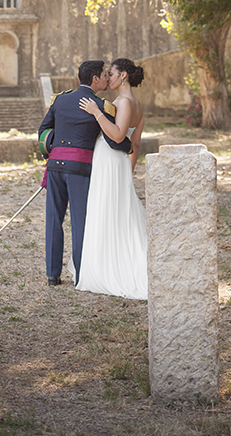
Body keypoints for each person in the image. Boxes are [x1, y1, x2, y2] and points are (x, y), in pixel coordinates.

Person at [38, 60, 131, 285]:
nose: (107, 79)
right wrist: (129, 146)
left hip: (55, 166)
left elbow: (43, 131)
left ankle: (52, 275)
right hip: (80, 168)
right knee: (81, 222)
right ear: (95, 79)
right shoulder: (101, 105)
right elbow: (113, 138)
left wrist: (55, 147)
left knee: (53, 219)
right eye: (103, 75)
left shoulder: (60, 99)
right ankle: (81, 274)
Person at [76, 57, 149, 300]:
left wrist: (97, 112)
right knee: (114, 210)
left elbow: (118, 136)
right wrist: (128, 170)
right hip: (119, 164)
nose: (109, 78)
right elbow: (135, 144)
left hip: (109, 160)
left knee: (106, 209)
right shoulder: (137, 105)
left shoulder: (125, 102)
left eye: (112, 74)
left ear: (123, 76)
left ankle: (107, 266)